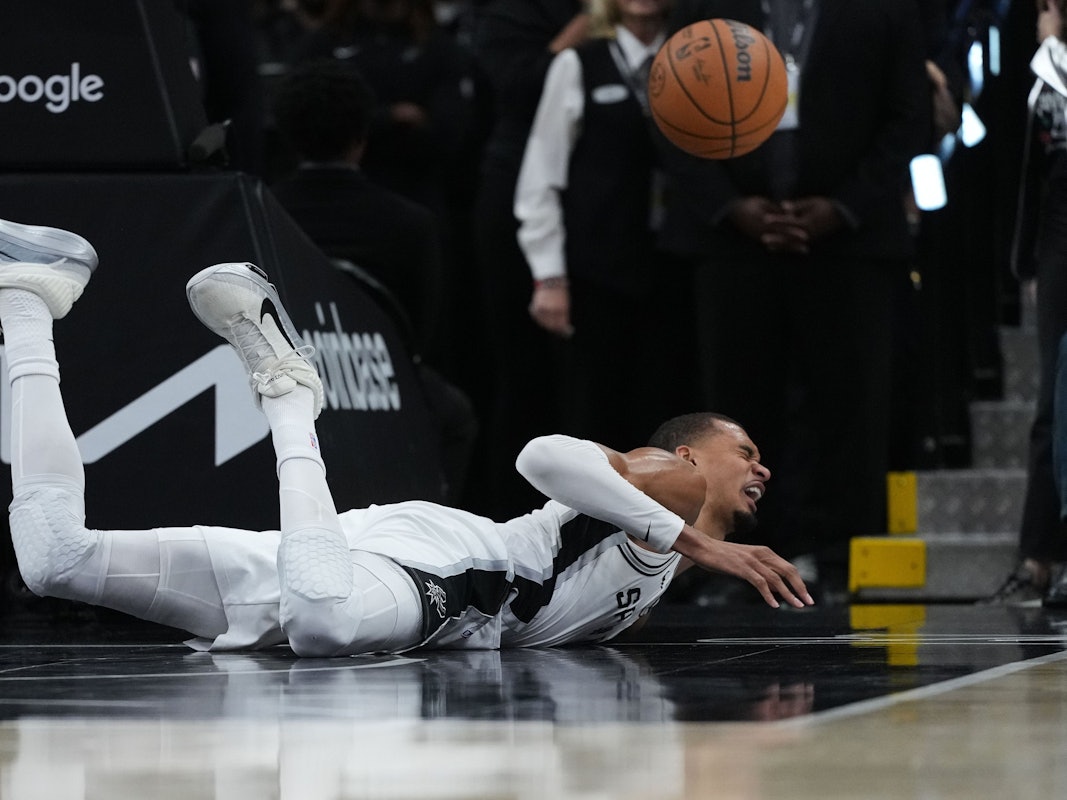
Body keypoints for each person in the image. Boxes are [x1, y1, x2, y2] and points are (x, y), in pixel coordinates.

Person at [0, 218, 811, 657]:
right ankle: (287, 390)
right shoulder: (655, 482)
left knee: (53, 559)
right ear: (688, 455)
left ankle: (27, 298)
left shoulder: (661, 563)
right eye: (744, 450)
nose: (761, 467)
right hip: (450, 567)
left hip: (367, 556)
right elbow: (540, 458)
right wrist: (700, 545)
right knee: (321, 623)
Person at [657, 0, 931, 596]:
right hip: (732, 245)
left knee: (853, 408)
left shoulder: (888, 11)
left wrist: (845, 207)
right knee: (732, 414)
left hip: (850, 242)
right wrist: (731, 208)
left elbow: (911, 117)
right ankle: (733, 560)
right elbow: (669, 117)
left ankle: (843, 562)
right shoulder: (703, 7)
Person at [513, 0, 697, 450]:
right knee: (596, 414)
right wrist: (549, 276)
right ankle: (592, 521)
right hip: (598, 269)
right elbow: (541, 173)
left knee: (672, 411)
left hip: (679, 265)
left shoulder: (698, 64)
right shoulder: (580, 62)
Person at [990, 0, 1067, 605]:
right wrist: (1030, 257)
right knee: (1055, 401)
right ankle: (1039, 556)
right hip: (1060, 231)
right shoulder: (1046, 53)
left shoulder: (1053, 55)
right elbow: (1038, 157)